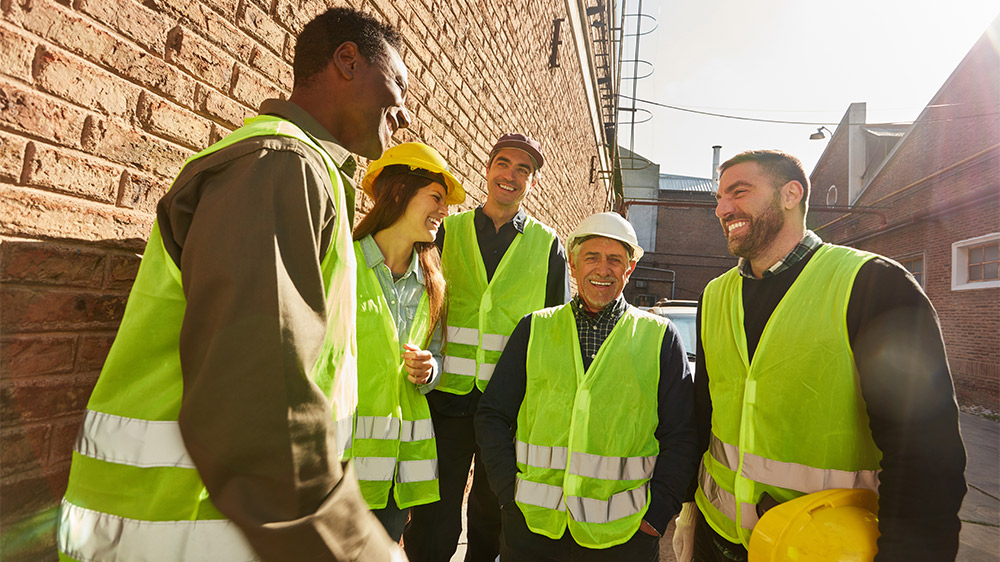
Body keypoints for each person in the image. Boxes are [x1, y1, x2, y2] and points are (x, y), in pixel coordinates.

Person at [58, 8, 411, 561]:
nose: (405, 114)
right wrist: (358, 548)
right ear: (347, 61)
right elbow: (261, 402)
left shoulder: (300, 170)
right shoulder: (281, 166)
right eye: (398, 86)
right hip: (179, 531)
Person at [672, 150, 967, 561]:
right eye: (719, 199)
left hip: (818, 549)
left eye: (738, 192)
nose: (722, 209)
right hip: (716, 538)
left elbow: (924, 454)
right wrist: (689, 510)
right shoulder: (715, 295)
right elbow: (704, 414)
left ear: (791, 194)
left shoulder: (874, 284)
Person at [475, 212, 699, 561]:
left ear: (630, 269)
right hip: (534, 530)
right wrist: (508, 494)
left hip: (624, 537)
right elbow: (492, 415)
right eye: (592, 257)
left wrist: (656, 518)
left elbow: (682, 436)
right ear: (573, 264)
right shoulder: (534, 329)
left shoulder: (659, 338)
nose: (602, 269)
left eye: (615, 260)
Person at [403, 133, 571, 561]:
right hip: (446, 397)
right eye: (503, 163)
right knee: (434, 514)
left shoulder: (548, 244)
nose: (510, 175)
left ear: (532, 182)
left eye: (523, 169)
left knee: (492, 513)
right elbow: (418, 301)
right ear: (488, 168)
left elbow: (557, 330)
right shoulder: (448, 230)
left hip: (508, 407)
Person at [350, 142, 465, 541]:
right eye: (436, 197)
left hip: (397, 477)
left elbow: (437, 355)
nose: (444, 210)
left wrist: (430, 370)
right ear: (399, 192)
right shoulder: (343, 263)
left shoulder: (433, 284)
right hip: (341, 468)